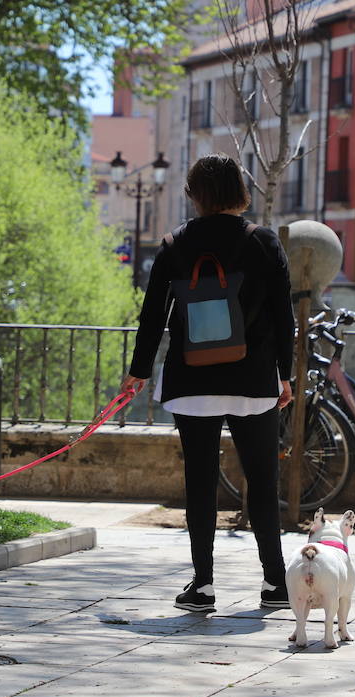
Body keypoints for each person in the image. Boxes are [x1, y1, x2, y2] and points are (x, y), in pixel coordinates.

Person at [120, 154, 295, 612]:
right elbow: (284, 317)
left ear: (196, 194)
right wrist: (285, 375)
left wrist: (138, 371)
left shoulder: (175, 244)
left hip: (192, 378)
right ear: (238, 190)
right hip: (254, 380)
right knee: (262, 480)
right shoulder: (263, 242)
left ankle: (203, 585)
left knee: (199, 482)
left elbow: (152, 315)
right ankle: (275, 584)